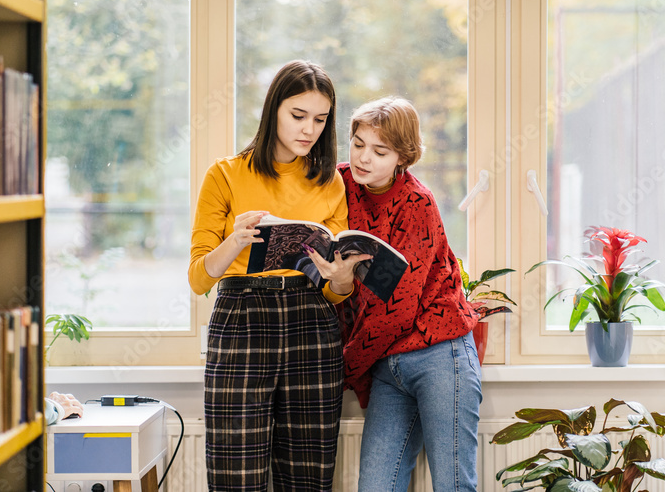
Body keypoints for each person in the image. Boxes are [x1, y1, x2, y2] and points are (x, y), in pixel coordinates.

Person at [189, 60, 363, 492]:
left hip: (312, 321)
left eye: (320, 120)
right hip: (241, 317)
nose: (309, 129)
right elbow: (198, 278)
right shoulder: (225, 174)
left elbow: (338, 293)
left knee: (309, 476)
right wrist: (236, 240)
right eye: (298, 116)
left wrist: (341, 276)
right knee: (236, 475)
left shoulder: (329, 182)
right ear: (273, 111)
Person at [307, 96, 481, 492]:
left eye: (379, 150)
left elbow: (399, 310)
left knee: (454, 485)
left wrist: (345, 365)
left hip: (440, 355)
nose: (363, 158)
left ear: (403, 156)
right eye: (357, 143)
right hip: (387, 364)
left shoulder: (416, 202)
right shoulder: (340, 182)